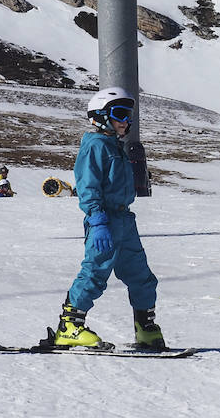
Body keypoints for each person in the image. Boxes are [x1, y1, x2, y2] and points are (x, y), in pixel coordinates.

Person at [45, 87, 165, 350]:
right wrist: (97, 220)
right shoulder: (96, 146)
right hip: (105, 220)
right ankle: (70, 326)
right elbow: (88, 187)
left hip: (125, 220)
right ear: (100, 116)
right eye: (120, 114)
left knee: (141, 276)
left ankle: (145, 327)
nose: (126, 121)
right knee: (95, 273)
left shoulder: (115, 146)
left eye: (128, 115)